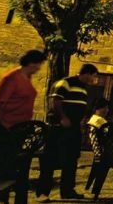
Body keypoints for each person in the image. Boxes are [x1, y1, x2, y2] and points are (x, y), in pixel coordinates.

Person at [36, 63, 99, 202]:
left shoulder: (83, 89)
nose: (94, 79)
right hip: (59, 126)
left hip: (74, 127)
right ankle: (43, 191)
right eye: (93, 76)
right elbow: (55, 99)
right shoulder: (66, 82)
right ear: (87, 73)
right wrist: (63, 117)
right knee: (51, 158)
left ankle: (67, 190)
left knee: (71, 159)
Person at [0, 49, 46, 129]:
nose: (39, 68)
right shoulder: (12, 78)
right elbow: (1, 103)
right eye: (39, 64)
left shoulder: (27, 77)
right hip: (6, 124)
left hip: (19, 123)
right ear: (31, 63)